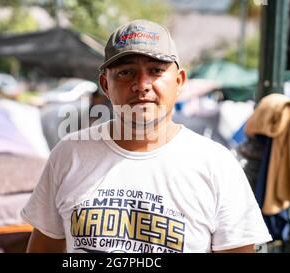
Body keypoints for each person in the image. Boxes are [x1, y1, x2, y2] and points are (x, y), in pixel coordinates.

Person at [21, 19, 272, 253]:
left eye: (155, 70)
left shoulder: (216, 165)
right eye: (125, 72)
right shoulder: (69, 154)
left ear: (179, 81)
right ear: (105, 85)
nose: (142, 84)